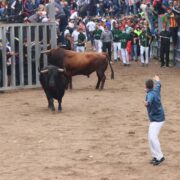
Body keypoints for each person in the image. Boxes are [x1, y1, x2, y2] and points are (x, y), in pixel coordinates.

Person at [144, 75, 165, 166]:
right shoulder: (155, 90)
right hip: (159, 118)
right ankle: (156, 156)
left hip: (157, 120)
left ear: (145, 86)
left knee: (152, 137)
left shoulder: (150, 94)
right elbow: (159, 85)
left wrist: (146, 103)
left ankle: (160, 157)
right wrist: (158, 80)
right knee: (150, 137)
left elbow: (150, 100)